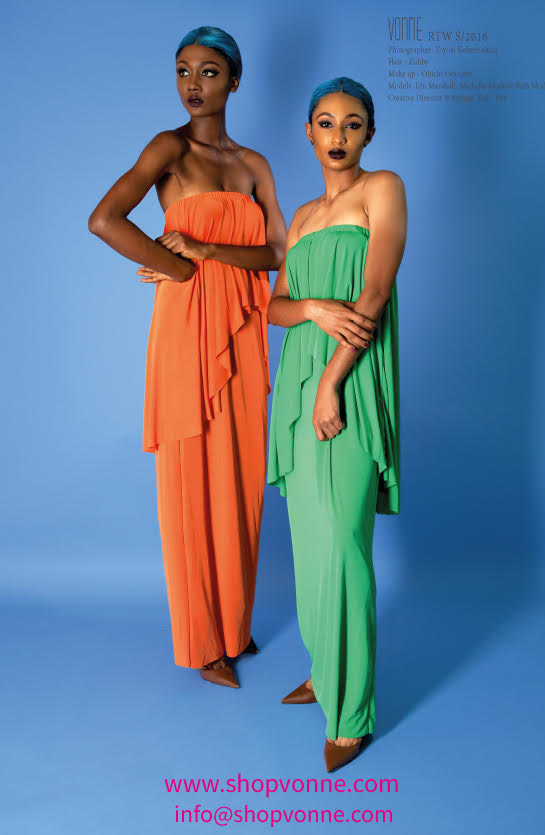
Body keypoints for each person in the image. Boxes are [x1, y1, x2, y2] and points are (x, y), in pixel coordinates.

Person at [88, 26, 286, 688]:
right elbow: (105, 219)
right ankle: (205, 642)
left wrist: (205, 251)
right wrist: (174, 268)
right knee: (191, 477)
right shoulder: (167, 147)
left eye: (208, 71)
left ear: (234, 81)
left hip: (243, 329)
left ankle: (233, 624)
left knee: (241, 474)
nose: (193, 84)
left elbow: (277, 253)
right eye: (182, 70)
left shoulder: (255, 165)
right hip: (186, 328)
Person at [267, 76, 406, 771]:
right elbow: (276, 307)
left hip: (346, 382)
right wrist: (315, 309)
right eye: (326, 122)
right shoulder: (299, 216)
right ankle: (325, 670)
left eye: (353, 123)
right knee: (310, 545)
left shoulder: (382, 188)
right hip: (297, 388)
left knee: (345, 544)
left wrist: (332, 382)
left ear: (369, 133)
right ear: (309, 132)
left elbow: (375, 291)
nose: (339, 135)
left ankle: (351, 713)